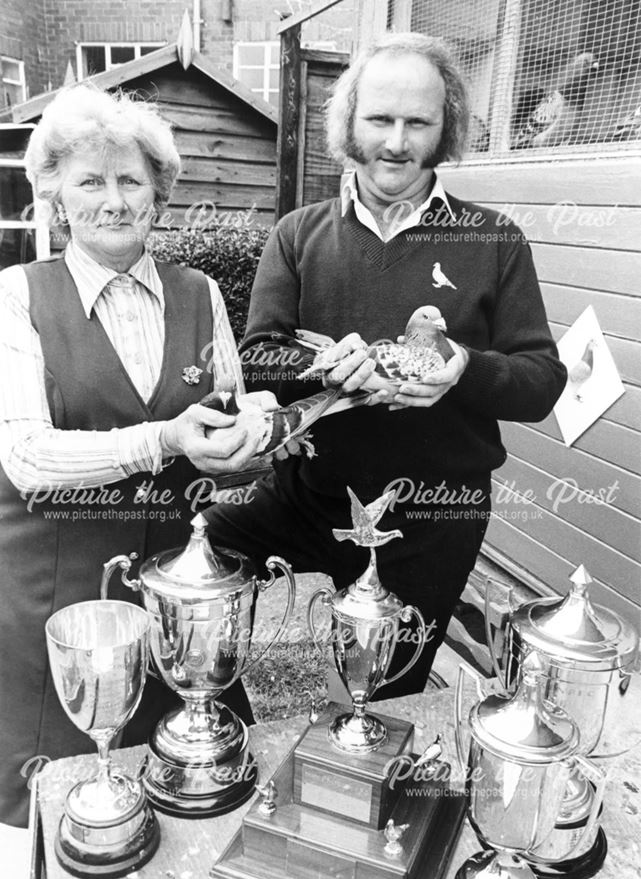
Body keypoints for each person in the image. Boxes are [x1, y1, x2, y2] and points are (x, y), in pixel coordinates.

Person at [204, 32, 567, 703]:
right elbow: (256, 356)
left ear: (444, 129)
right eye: (379, 119)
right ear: (348, 124)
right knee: (197, 561)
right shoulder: (299, 233)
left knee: (382, 696)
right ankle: (216, 723)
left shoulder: (494, 240)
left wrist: (461, 366)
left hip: (431, 519)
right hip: (307, 500)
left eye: (417, 123)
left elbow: (541, 382)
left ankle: (368, 770)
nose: (396, 142)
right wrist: (322, 366)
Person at [0, 85, 278, 827]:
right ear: (57, 196)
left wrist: (246, 449)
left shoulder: (202, 294)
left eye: (131, 180)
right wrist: (163, 439)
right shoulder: (17, 297)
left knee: (177, 781)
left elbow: (220, 433)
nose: (114, 199)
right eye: (91, 180)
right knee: (58, 802)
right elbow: (26, 456)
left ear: (159, 193)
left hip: (175, 608)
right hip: (55, 595)